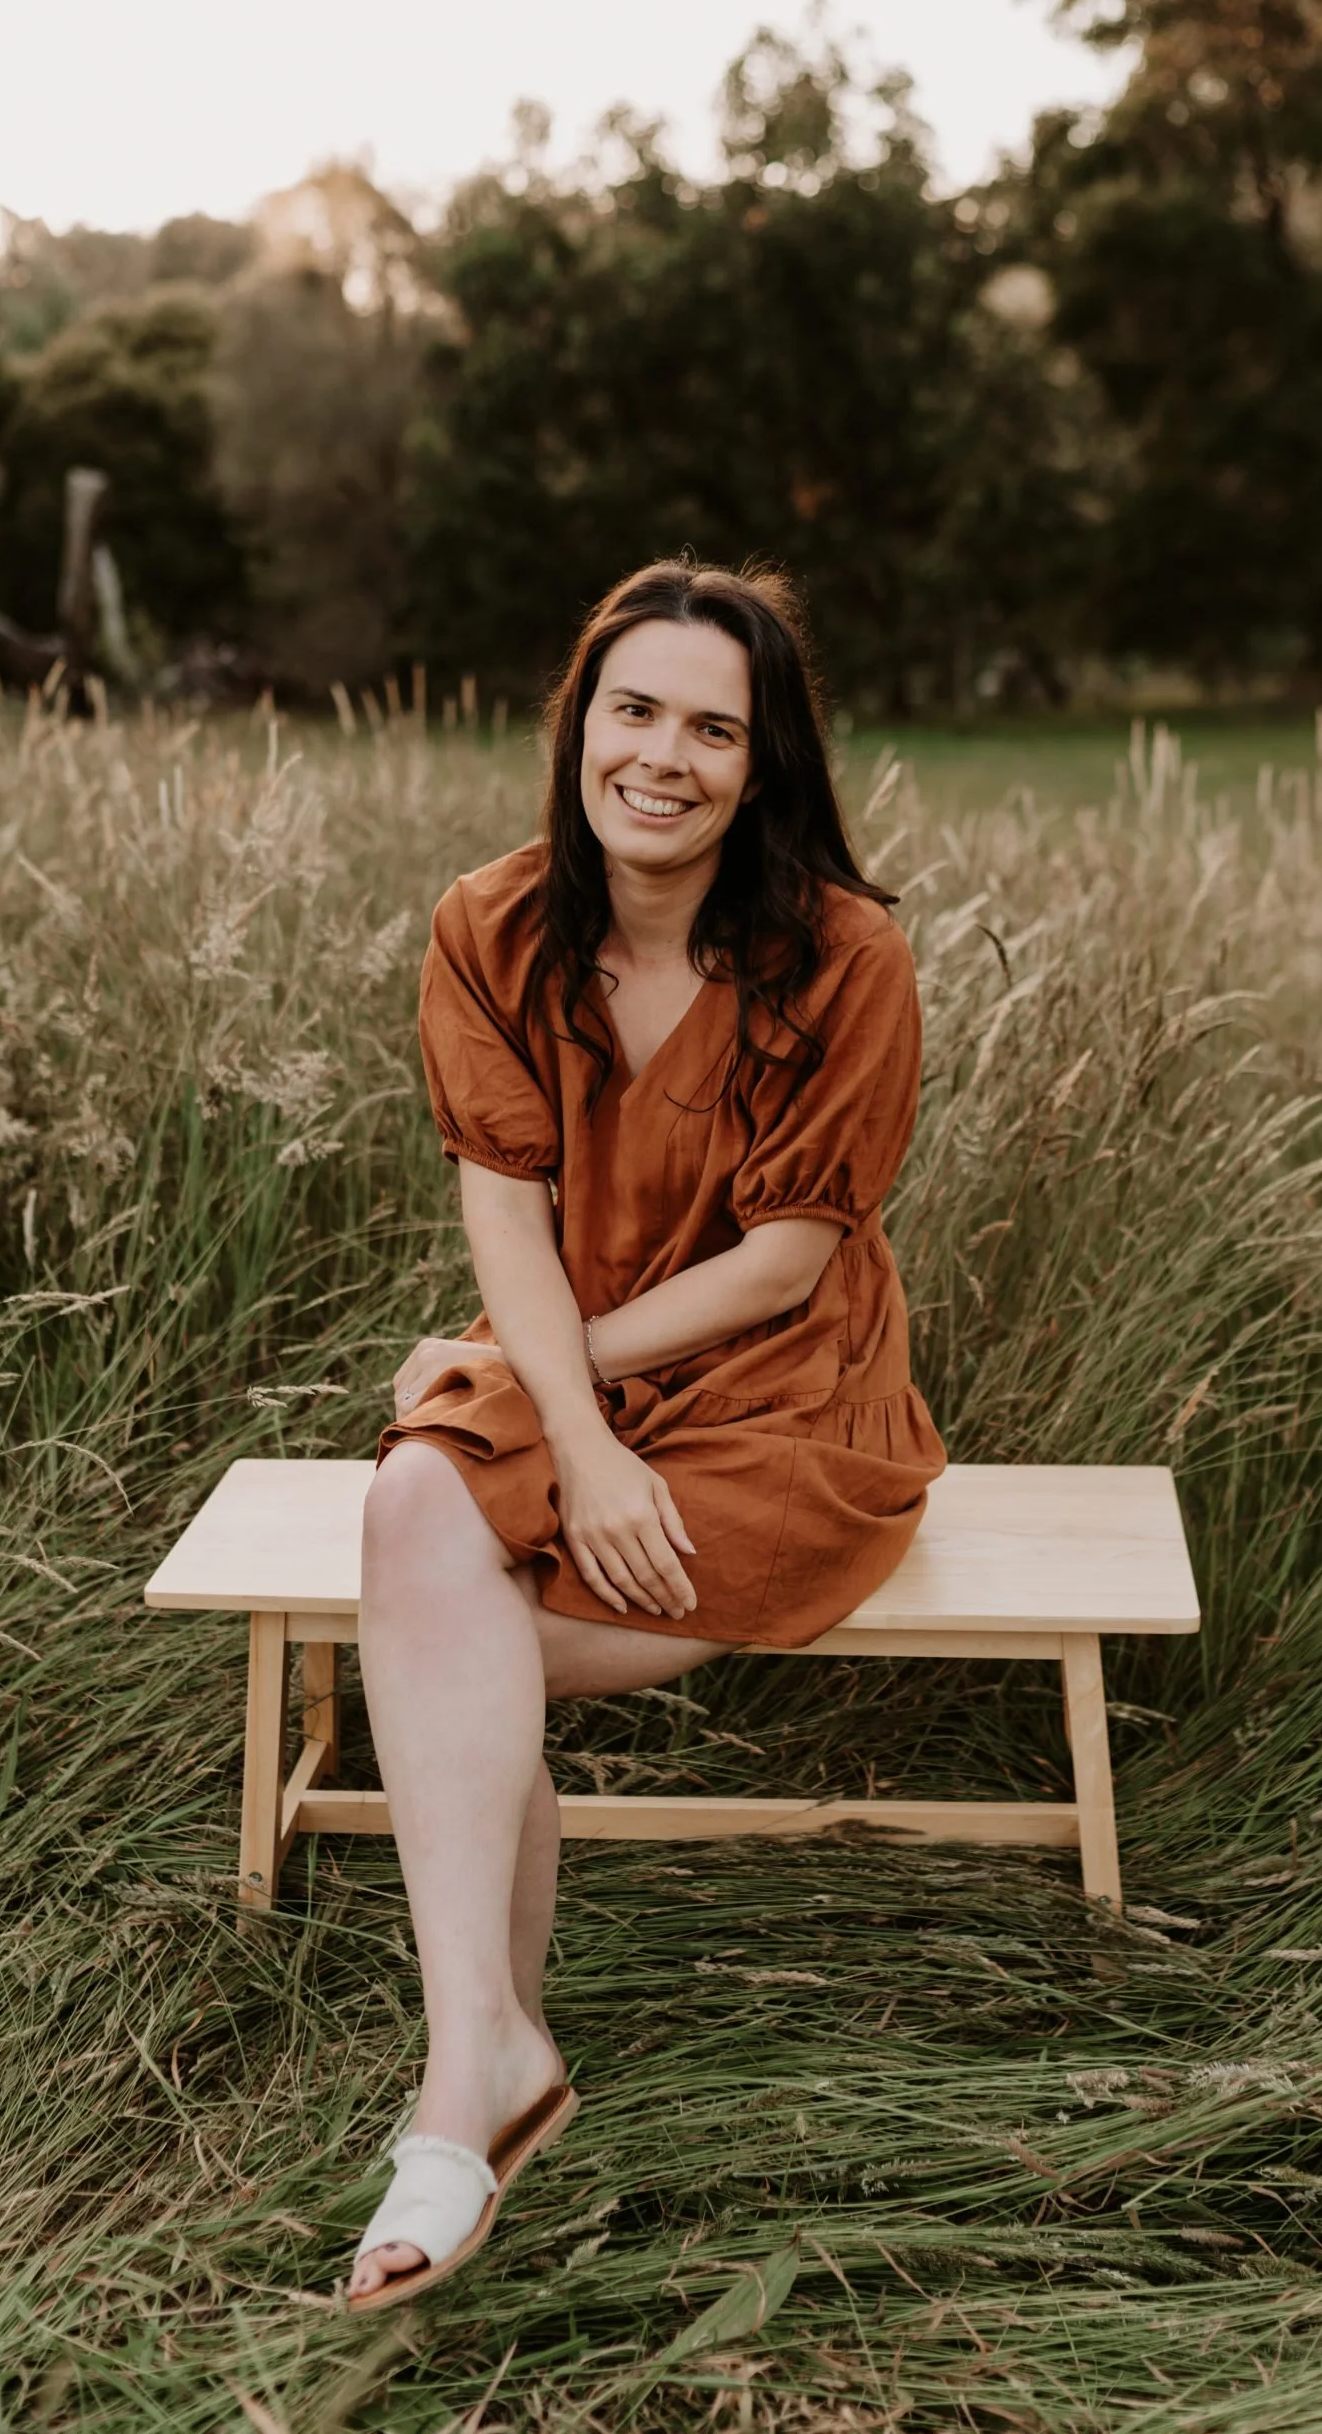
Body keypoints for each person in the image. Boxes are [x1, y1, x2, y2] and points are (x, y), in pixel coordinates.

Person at [347, 559, 946, 2309]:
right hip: (569, 1337)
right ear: (580, 726)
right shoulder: (492, 924)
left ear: (761, 766)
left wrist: (573, 1411)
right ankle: (485, 2055)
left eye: (711, 726)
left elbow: (785, 1263)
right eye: (634, 710)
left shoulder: (847, 957)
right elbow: (506, 1215)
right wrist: (569, 1418)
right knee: (411, 1517)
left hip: (786, 1394)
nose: (663, 755)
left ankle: (475, 2092)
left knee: (452, 1640)